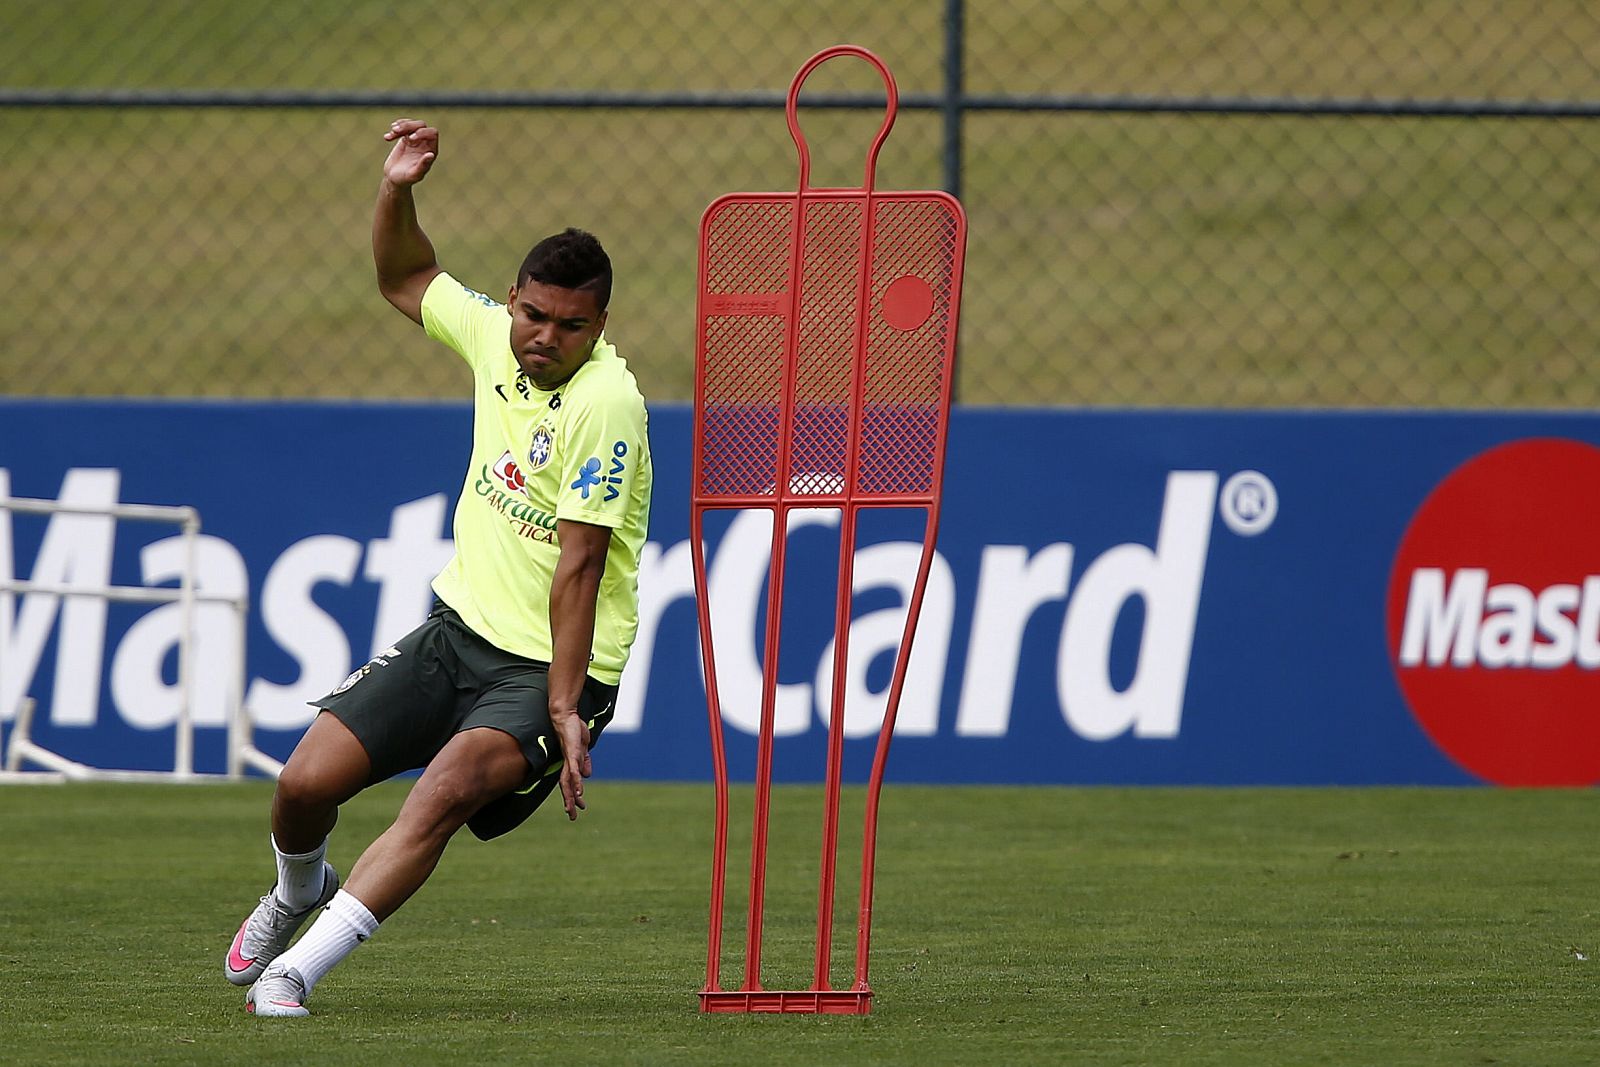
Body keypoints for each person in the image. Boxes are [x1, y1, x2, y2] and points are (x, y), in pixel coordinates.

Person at [224, 118, 653, 1018]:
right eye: (533, 315)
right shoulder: (494, 336)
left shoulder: (607, 403)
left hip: (548, 667)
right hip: (457, 633)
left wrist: (568, 706)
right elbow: (402, 276)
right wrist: (397, 188)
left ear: (599, 326)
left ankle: (295, 973)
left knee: (444, 791)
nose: (544, 337)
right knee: (302, 785)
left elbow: (580, 565)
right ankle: (297, 890)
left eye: (571, 325)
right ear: (513, 300)